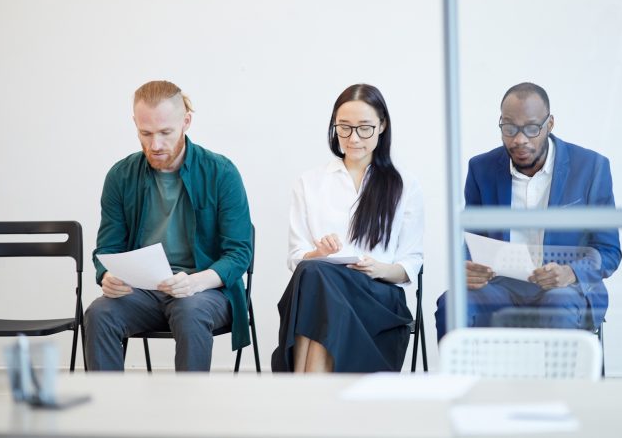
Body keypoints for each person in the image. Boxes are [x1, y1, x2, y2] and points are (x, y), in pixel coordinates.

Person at [84, 80, 253, 371]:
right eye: (145, 133)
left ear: (186, 122)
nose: (155, 145)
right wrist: (107, 274)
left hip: (205, 291)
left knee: (190, 310)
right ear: (135, 123)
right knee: (99, 313)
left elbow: (239, 253)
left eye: (165, 133)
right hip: (143, 292)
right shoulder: (121, 176)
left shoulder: (221, 172)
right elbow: (108, 248)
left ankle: (188, 413)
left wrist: (195, 282)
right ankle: (107, 412)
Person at [435, 82, 621, 339]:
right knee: (452, 305)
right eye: (509, 128)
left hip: (567, 288)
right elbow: (471, 240)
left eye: (532, 128)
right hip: (501, 286)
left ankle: (556, 382)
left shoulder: (591, 168)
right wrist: (466, 266)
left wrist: (571, 273)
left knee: (557, 305)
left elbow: (609, 251)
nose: (519, 139)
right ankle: (468, 380)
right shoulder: (482, 169)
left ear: (550, 124)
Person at [272, 83, 424, 373]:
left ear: (382, 125)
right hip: (319, 291)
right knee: (315, 274)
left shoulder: (404, 184)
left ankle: (304, 394)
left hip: (376, 296)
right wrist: (317, 252)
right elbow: (296, 256)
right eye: (344, 128)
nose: (353, 138)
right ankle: (314, 392)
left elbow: (410, 262)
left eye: (364, 128)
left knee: (316, 281)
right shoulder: (310, 181)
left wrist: (378, 268)